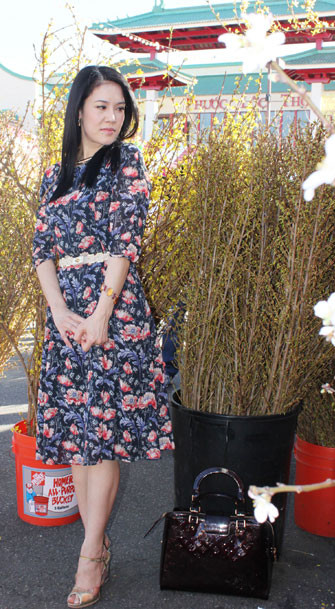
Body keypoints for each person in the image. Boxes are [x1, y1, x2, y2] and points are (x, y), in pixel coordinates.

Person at [32, 65, 173, 608]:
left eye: (119, 108)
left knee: (103, 430)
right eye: (101, 106)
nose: (113, 117)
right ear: (79, 111)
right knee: (78, 432)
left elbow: (124, 243)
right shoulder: (55, 174)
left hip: (113, 311)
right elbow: (42, 251)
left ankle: (90, 552)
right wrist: (60, 311)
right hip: (66, 315)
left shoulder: (127, 163)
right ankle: (96, 544)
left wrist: (100, 314)